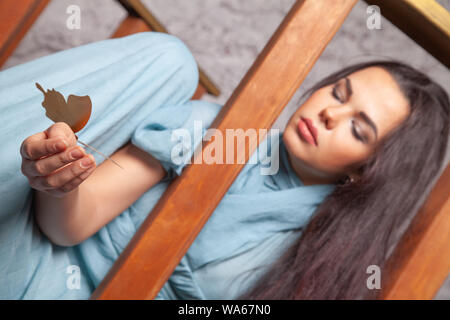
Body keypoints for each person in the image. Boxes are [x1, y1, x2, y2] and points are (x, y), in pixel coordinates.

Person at [2, 31, 448, 299]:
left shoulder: (322, 256)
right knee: (171, 60)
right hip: (30, 258)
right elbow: (68, 229)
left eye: (359, 129)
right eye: (338, 93)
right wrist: (57, 181)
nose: (331, 114)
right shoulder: (221, 131)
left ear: (366, 172)